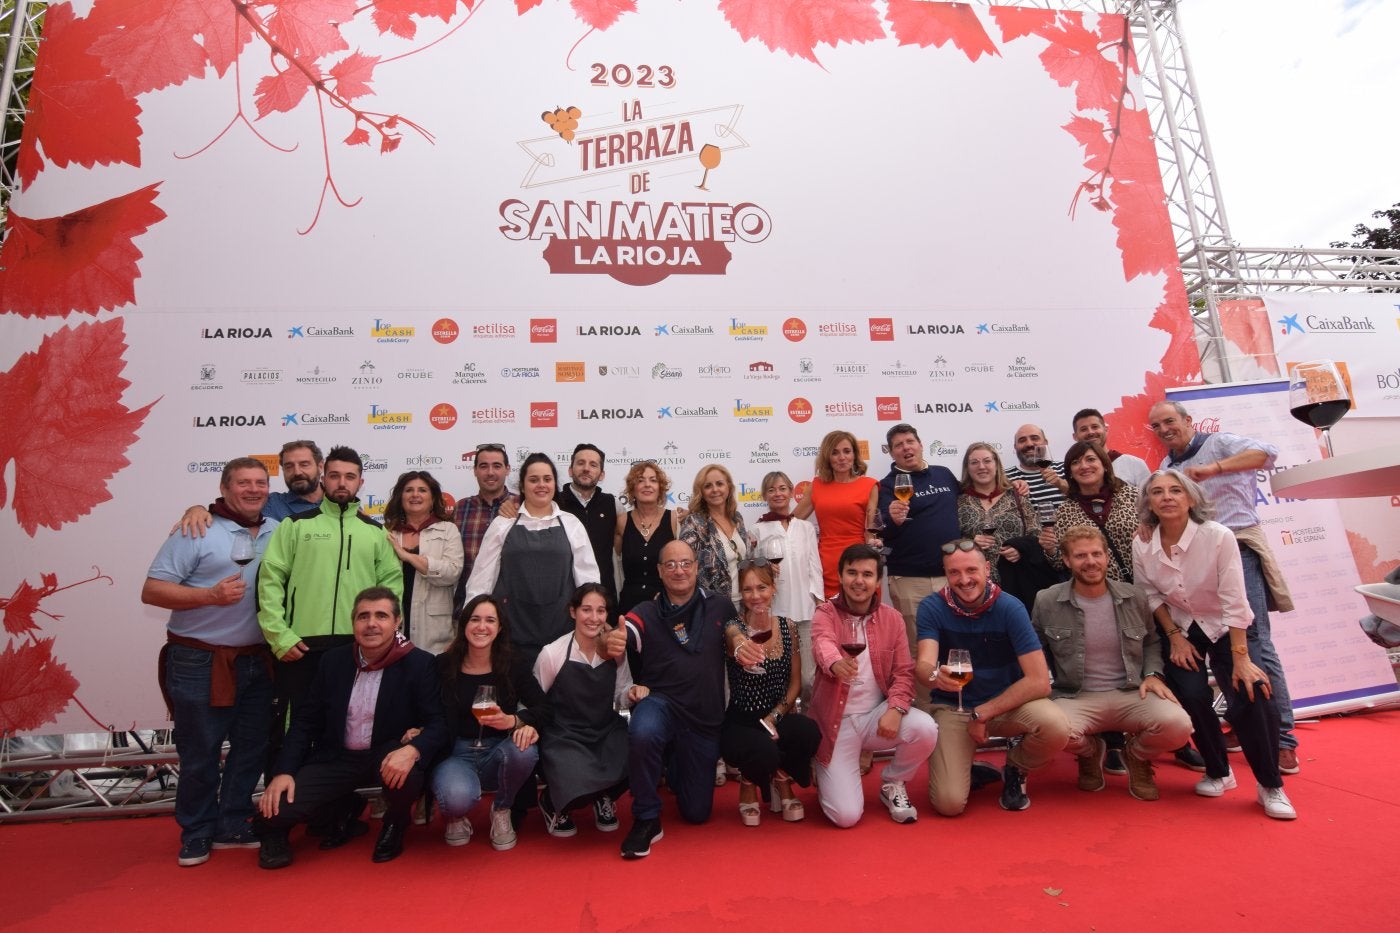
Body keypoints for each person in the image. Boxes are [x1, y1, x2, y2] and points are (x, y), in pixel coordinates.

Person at [1131, 469, 1297, 820]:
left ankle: (1271, 785)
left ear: (1191, 498)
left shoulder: (1218, 536)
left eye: (1176, 490)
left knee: (1251, 690)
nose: (1167, 497)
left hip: (1228, 625)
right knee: (1189, 693)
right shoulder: (1142, 541)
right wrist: (1174, 638)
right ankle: (1218, 771)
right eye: (1157, 492)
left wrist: (1241, 659)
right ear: (1149, 503)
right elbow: (1149, 593)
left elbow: (1235, 598)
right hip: (1182, 626)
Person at [1148, 400, 1299, 773]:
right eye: (1157, 426)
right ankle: (1248, 723)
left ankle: (1282, 740)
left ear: (1187, 420)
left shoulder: (1220, 443)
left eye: (1170, 421)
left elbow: (1268, 453)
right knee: (1219, 647)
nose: (1165, 429)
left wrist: (1214, 468)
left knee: (1255, 643)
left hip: (1239, 549)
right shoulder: (1167, 468)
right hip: (1197, 562)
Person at [142, 457, 278, 867]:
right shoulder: (196, 529)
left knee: (251, 748)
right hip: (198, 659)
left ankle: (233, 822)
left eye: (260, 482)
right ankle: (197, 830)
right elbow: (152, 591)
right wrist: (208, 596)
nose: (253, 489)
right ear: (224, 488)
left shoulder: (277, 530)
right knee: (200, 751)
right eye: (243, 483)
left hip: (258, 660)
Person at [254, 588, 446, 868]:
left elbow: (439, 722)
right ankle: (343, 808)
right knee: (274, 811)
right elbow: (306, 721)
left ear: (397, 622)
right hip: (338, 758)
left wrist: (414, 750)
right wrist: (284, 772)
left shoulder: (420, 663)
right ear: (353, 621)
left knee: (407, 775)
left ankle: (396, 823)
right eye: (363, 616)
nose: (371, 624)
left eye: (381, 615)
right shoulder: (333, 661)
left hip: (386, 753)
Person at [257, 446, 403, 776]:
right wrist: (279, 635)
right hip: (300, 646)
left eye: (349, 477)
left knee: (345, 732)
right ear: (323, 478)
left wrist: (382, 640)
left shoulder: (375, 533)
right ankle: (280, 815)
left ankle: (336, 818)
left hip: (356, 650)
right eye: (334, 475)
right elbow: (269, 582)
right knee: (292, 733)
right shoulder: (294, 525)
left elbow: (391, 591)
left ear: (360, 482)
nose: (341, 483)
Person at [603, 540, 752, 859]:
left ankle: (672, 764)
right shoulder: (646, 610)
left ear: (697, 567)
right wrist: (613, 640)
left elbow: (735, 630)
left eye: (685, 563)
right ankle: (645, 818)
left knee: (696, 814)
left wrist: (739, 640)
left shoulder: (720, 604)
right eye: (670, 564)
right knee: (643, 730)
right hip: (662, 705)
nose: (678, 570)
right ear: (659, 571)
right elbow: (626, 632)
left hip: (703, 718)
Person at [1031, 526, 1192, 801]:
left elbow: (1152, 641)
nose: (1090, 562)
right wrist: (1039, 687)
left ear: (1107, 557)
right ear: (1067, 561)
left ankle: (1137, 755)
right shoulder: (1047, 600)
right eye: (1081, 556)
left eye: (1096, 554)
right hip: (1075, 695)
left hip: (1131, 692)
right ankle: (1090, 752)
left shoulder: (1134, 596)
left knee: (1179, 726)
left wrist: (1153, 674)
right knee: (1049, 730)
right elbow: (1034, 649)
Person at [914, 542, 1069, 816]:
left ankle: (1016, 766)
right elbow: (924, 665)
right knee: (948, 805)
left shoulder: (1010, 607)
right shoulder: (932, 606)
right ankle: (966, 766)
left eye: (971, 570)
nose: (964, 580)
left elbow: (1039, 682)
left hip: (1004, 705)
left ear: (987, 569)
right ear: (946, 575)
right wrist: (937, 676)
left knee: (1056, 726)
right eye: (954, 573)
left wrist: (981, 715)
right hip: (954, 706)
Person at [810, 544, 939, 827]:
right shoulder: (825, 612)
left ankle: (893, 781)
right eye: (852, 572)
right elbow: (822, 643)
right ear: (841, 576)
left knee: (925, 728)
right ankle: (825, 768)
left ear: (877, 581)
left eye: (867, 574)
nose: (859, 581)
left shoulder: (892, 618)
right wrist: (835, 664)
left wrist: (896, 708)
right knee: (845, 817)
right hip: (836, 724)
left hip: (874, 718)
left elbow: (904, 672)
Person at [463, 452, 600, 675]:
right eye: (534, 480)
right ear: (523, 486)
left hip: (563, 633)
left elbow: (588, 582)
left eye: (547, 479)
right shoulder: (502, 523)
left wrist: (594, 622)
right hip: (511, 634)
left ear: (555, 484)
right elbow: (481, 580)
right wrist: (472, 622)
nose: (541, 485)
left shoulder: (571, 524)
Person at [432, 595, 549, 850]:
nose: (481, 626)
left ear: (499, 628)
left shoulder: (513, 664)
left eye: (489, 620)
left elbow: (544, 708)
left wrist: (516, 721)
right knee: (454, 799)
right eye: (475, 619)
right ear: (464, 625)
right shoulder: (443, 665)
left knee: (524, 751)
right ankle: (456, 815)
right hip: (456, 753)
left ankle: (502, 809)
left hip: (498, 750)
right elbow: (427, 711)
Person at [720, 561, 820, 826]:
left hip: (777, 715)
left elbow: (795, 684)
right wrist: (741, 644)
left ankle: (781, 777)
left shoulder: (788, 627)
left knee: (808, 732)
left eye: (761, 587)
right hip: (741, 722)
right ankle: (749, 780)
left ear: (773, 588)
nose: (755, 596)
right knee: (764, 751)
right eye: (748, 590)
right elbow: (732, 635)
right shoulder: (734, 626)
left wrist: (774, 718)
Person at [533, 583, 632, 838]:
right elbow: (534, 703)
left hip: (604, 730)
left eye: (601, 611)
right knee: (575, 783)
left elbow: (621, 694)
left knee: (643, 749)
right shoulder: (552, 654)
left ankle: (604, 796)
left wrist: (631, 694)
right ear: (572, 612)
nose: (594, 618)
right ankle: (552, 803)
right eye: (586, 610)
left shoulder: (616, 653)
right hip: (565, 737)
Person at [875, 423, 960, 683]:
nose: (906, 448)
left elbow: (972, 502)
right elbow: (879, 533)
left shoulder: (944, 474)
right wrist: (892, 520)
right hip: (911, 580)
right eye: (898, 445)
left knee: (957, 644)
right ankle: (927, 709)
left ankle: (958, 702)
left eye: (910, 441)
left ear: (921, 444)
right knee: (918, 650)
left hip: (954, 577)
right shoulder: (885, 487)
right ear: (891, 454)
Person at [752, 471, 823, 699]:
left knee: (808, 678)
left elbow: (815, 566)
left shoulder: (805, 528)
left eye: (782, 488)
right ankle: (784, 722)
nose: (778, 494)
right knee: (780, 675)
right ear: (764, 495)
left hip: (806, 611)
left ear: (792, 492)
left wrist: (819, 600)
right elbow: (751, 572)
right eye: (771, 490)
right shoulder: (756, 530)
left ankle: (810, 722)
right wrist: (764, 568)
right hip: (776, 613)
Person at [383, 470, 464, 655]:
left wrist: (409, 557)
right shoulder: (388, 533)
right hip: (395, 626)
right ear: (400, 497)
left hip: (435, 634)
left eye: (422, 490)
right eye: (409, 490)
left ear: (433, 498)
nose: (415, 495)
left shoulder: (448, 530)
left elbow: (452, 573)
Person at [792, 429, 879, 598]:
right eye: (835, 453)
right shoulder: (816, 486)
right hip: (826, 564)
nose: (842, 457)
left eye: (847, 451)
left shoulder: (870, 485)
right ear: (827, 457)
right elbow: (791, 522)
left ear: (854, 455)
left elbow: (871, 531)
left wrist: (873, 554)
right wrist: (767, 525)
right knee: (830, 619)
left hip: (859, 562)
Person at [174, 440, 325, 534]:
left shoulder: (343, 502)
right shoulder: (269, 503)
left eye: (304, 464)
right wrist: (196, 510)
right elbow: (229, 508)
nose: (297, 472)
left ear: (320, 466)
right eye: (289, 466)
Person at [956, 442, 1043, 595]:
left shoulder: (1017, 496)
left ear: (996, 464)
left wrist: (1020, 549)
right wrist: (970, 543)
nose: (981, 466)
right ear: (967, 468)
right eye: (974, 462)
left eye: (987, 461)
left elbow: (1036, 534)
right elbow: (949, 539)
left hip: (1018, 581)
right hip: (973, 585)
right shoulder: (958, 501)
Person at [1046, 440, 1139, 583]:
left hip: (1145, 589)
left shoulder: (1133, 497)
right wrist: (1050, 550)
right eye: (1076, 462)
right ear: (1070, 473)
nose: (1084, 466)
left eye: (1090, 459)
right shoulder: (1064, 512)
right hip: (1099, 593)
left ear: (1105, 465)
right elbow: (1061, 562)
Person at [451, 443, 519, 615]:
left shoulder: (523, 507)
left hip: (514, 612)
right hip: (469, 611)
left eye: (497, 466)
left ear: (508, 469)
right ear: (474, 470)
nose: (490, 472)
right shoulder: (460, 509)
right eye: (483, 466)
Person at [678, 463, 750, 607]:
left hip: (745, 603)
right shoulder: (694, 523)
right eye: (708, 486)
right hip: (711, 607)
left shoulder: (737, 518)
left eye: (719, 484)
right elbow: (685, 567)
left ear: (728, 487)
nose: (715, 489)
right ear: (701, 492)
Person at [614, 461, 680, 614]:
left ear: (660, 488)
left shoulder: (674, 519)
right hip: (629, 607)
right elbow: (615, 566)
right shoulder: (622, 521)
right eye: (640, 480)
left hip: (666, 606)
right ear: (632, 488)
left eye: (653, 480)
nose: (647, 485)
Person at [556, 443, 619, 606]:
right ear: (570, 470)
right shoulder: (554, 503)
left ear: (602, 474)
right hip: (562, 598)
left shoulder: (613, 505)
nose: (586, 468)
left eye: (593, 465)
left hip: (603, 599)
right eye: (580, 463)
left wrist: (679, 516)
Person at [1071, 408, 1150, 489]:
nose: (1090, 432)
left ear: (1106, 429)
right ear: (1075, 436)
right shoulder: (1075, 471)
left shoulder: (1134, 464)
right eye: (1084, 429)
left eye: (1095, 427)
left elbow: (1148, 499)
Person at [1004, 423, 1068, 513]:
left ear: (1045, 442)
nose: (1029, 444)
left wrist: (1060, 483)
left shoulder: (1066, 468)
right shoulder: (1004, 478)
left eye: (1034, 438)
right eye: (1022, 440)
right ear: (1015, 447)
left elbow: (1086, 497)